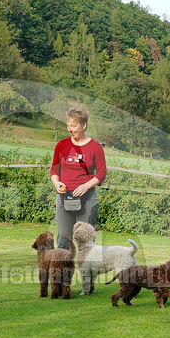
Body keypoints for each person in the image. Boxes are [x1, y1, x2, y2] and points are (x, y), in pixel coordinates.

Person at [50, 107, 107, 250]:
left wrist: (86, 186)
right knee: (63, 239)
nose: (69, 129)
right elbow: (54, 169)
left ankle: (87, 272)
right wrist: (56, 182)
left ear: (84, 125)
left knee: (86, 241)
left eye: (73, 126)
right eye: (68, 125)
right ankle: (62, 272)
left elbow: (101, 173)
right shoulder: (62, 145)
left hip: (87, 199)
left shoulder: (95, 147)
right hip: (64, 198)